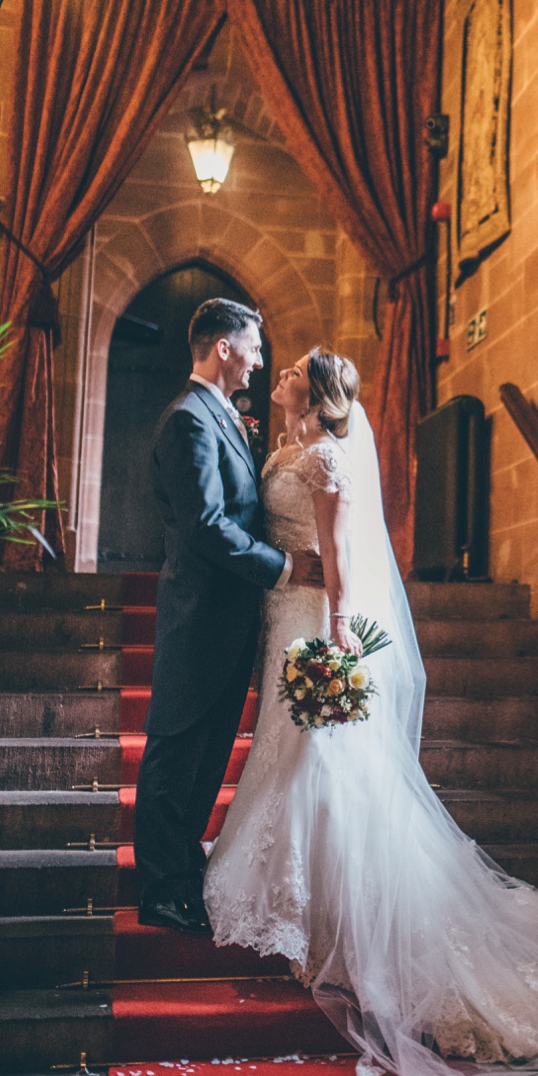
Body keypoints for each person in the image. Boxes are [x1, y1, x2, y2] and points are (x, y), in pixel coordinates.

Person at [203, 348, 538, 1076]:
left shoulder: (324, 458)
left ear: (316, 396)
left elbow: (343, 557)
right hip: (280, 614)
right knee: (293, 758)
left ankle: (333, 927)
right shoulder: (286, 446)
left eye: (292, 370)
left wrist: (339, 642)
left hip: (312, 621)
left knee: (319, 761)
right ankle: (313, 910)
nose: (280, 370)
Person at [133, 299, 324, 936]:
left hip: (229, 621)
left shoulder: (225, 419)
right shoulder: (189, 421)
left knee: (205, 756)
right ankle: (160, 890)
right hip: (200, 617)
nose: (261, 360)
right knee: (175, 752)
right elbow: (207, 525)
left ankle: (185, 877)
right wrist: (286, 568)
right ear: (224, 348)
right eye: (255, 347)